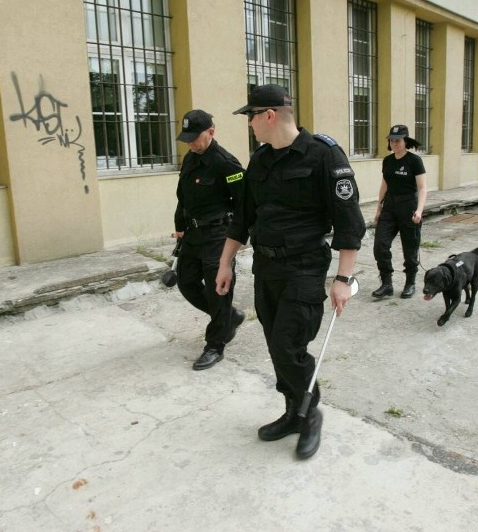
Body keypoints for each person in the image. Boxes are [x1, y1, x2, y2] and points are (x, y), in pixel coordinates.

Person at [215, 84, 366, 460]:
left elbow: (350, 223)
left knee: (288, 344)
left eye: (250, 116)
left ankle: (309, 412)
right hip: (266, 268)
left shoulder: (324, 155)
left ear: (269, 115)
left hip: (304, 268)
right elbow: (243, 220)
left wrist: (343, 279)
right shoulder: (261, 160)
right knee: (275, 343)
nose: (248, 124)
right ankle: (292, 411)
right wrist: (225, 263)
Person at [173, 109, 246, 371]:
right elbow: (183, 196)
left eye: (195, 137)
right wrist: (180, 226)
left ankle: (215, 345)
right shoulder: (190, 159)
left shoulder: (227, 163)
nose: (190, 143)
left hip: (218, 235)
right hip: (193, 234)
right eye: (187, 138)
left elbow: (244, 204)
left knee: (218, 290)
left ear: (211, 132)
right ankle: (229, 318)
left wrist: (237, 239)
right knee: (186, 282)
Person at [371, 124, 427, 300]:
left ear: (405, 141)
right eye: (391, 140)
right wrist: (378, 207)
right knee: (380, 245)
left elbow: (423, 187)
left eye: (397, 140)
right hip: (390, 207)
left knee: (410, 249)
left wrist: (419, 210)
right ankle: (386, 284)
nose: (394, 143)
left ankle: (410, 283)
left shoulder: (414, 161)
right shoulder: (387, 161)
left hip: (408, 206)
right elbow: (384, 185)